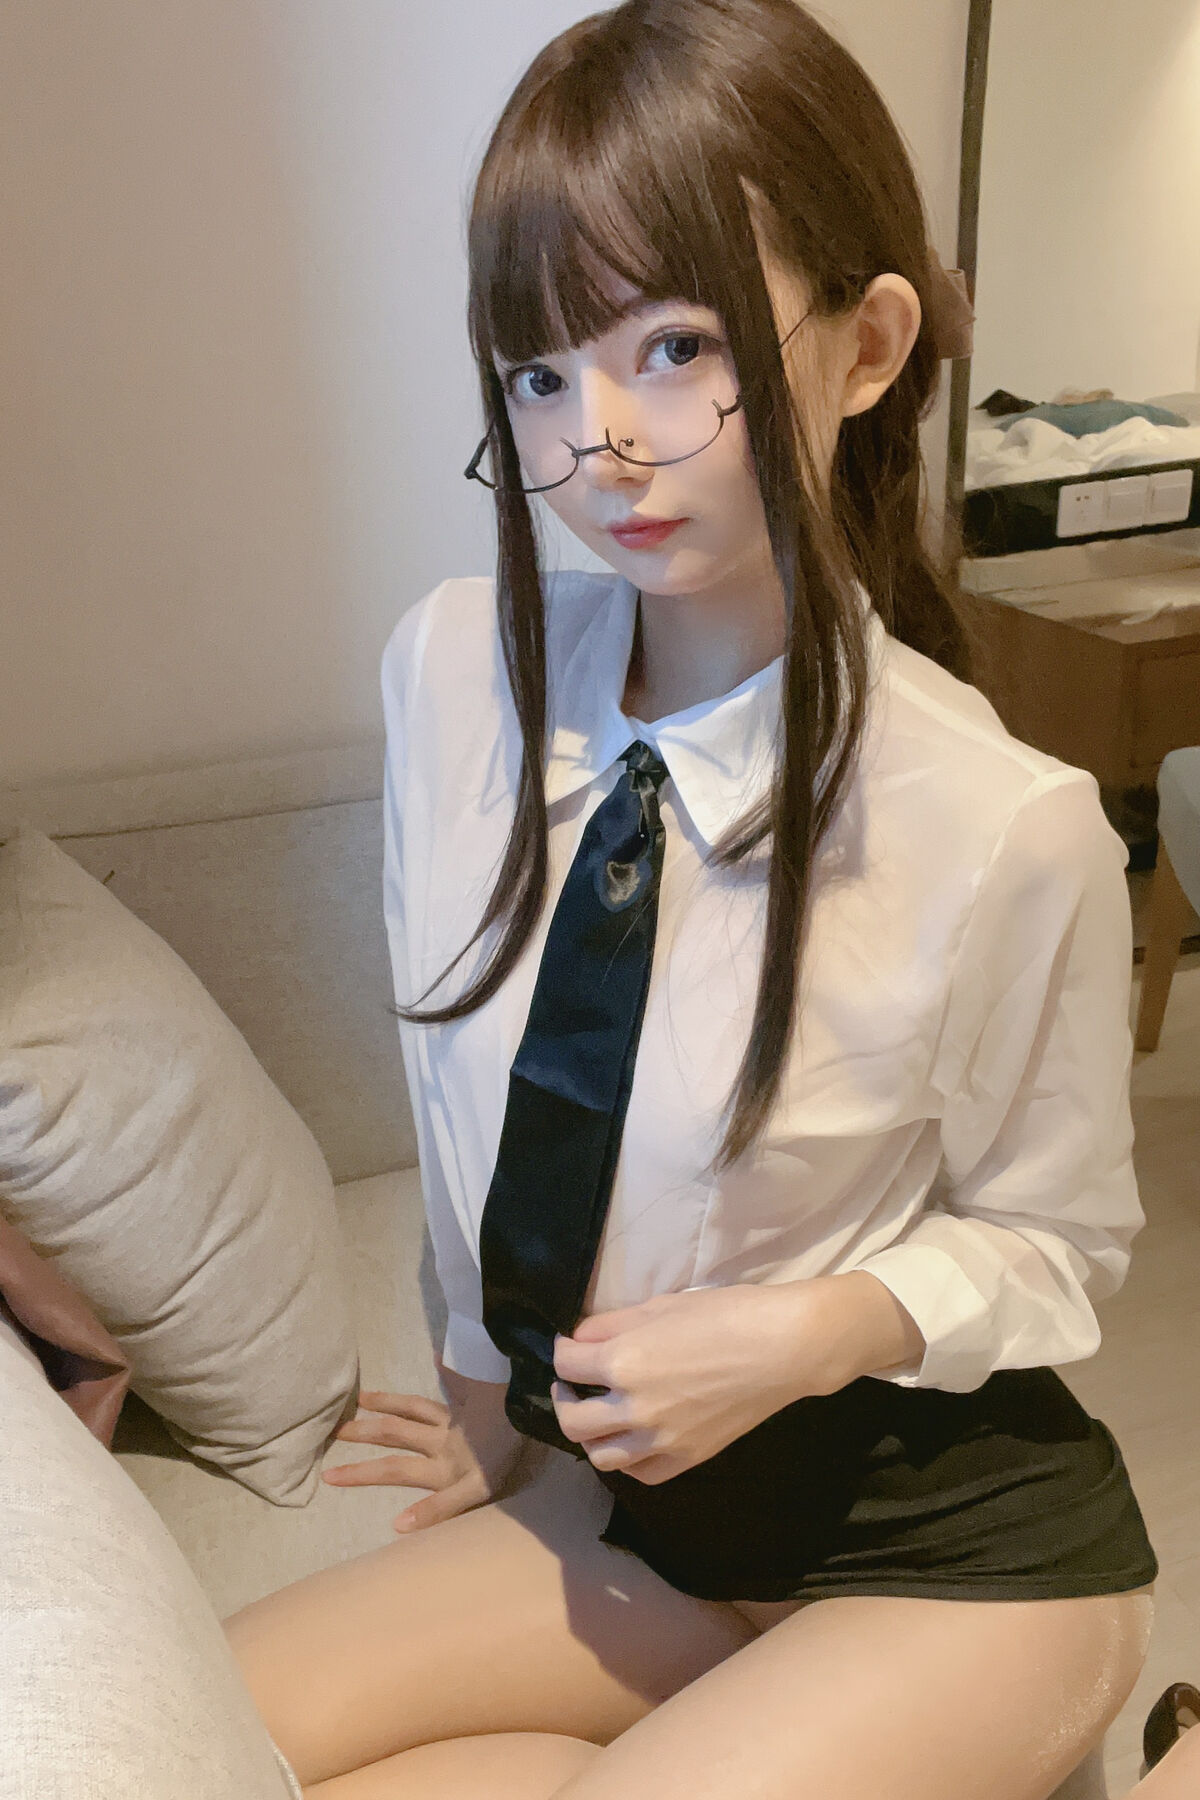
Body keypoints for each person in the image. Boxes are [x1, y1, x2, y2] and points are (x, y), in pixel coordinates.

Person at [220, 3, 1165, 1795]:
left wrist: (809, 1330)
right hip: (655, 1529)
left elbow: (1058, 1247)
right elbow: (463, 1110)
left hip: (946, 1557)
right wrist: (491, 1413)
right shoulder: (455, 676)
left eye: (674, 347)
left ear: (867, 347)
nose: (600, 444)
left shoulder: (1001, 823)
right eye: (539, 372)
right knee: (191, 1748)